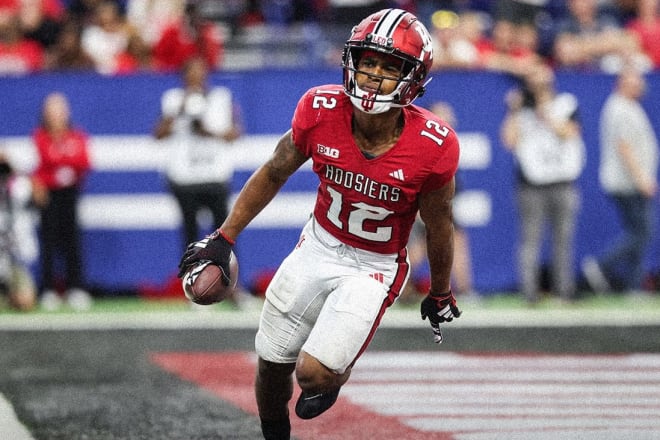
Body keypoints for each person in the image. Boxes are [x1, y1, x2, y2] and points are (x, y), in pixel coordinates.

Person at [178, 9, 462, 439]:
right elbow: (275, 170)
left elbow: (440, 225)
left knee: (312, 375)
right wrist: (225, 236)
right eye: (368, 61)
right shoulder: (319, 108)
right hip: (318, 244)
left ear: (414, 79)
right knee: (271, 362)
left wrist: (440, 289)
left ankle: (335, 374)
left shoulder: (434, 146)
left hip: (374, 265)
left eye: (389, 67)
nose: (373, 75)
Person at [501, 63, 586, 304]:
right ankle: (530, 293)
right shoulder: (521, 110)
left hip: (563, 180)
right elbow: (508, 141)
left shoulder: (566, 103)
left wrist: (545, 114)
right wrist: (514, 111)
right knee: (531, 240)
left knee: (563, 240)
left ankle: (564, 291)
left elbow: (570, 132)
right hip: (531, 183)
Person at [582, 68, 658, 295]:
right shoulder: (620, 108)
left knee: (639, 232)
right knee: (641, 233)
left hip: (630, 181)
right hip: (628, 182)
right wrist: (641, 177)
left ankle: (634, 285)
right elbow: (624, 147)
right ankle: (600, 265)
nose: (640, 86)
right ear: (623, 83)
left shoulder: (628, 107)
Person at [153, 56, 241, 251]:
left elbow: (235, 133)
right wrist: (179, 110)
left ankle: (226, 278)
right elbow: (158, 134)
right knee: (189, 234)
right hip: (185, 176)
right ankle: (191, 278)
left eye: (200, 73)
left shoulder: (221, 97)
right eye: (191, 74)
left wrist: (209, 132)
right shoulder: (173, 99)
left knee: (224, 233)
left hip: (215, 174)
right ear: (183, 77)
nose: (196, 78)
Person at [31, 92, 92, 311]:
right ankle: (48, 289)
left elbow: (83, 162)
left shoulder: (77, 136)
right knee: (48, 242)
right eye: (52, 111)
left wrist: (61, 164)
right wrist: (61, 166)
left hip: (70, 193)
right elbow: (44, 162)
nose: (56, 116)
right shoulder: (40, 136)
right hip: (49, 195)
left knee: (72, 241)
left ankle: (76, 288)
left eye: (60, 110)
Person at [0, 153, 37, 312]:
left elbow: (38, 196)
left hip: (16, 249)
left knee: (25, 301)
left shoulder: (19, 185)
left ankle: (12, 294)